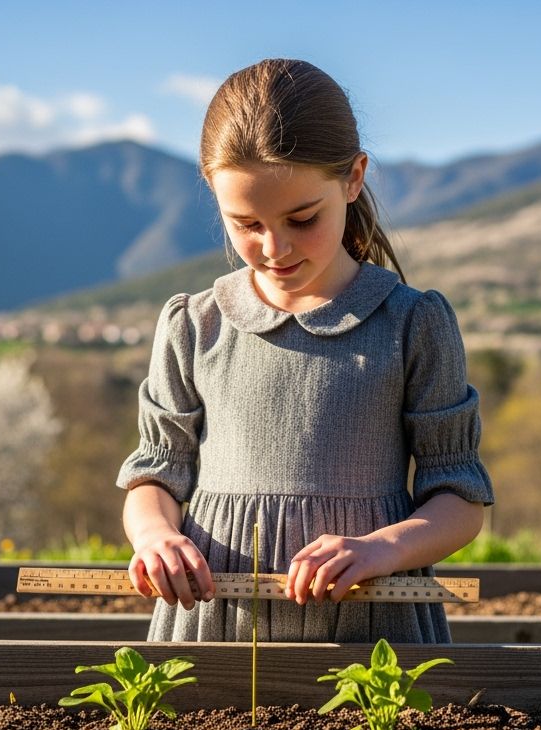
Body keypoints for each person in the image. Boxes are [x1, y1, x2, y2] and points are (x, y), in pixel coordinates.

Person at [116, 58, 494, 643]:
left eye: (302, 217)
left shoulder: (413, 323)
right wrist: (155, 537)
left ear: (354, 178)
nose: (274, 246)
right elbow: (155, 476)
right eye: (245, 223)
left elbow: (460, 498)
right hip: (212, 630)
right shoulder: (193, 325)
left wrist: (379, 549)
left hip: (376, 632)